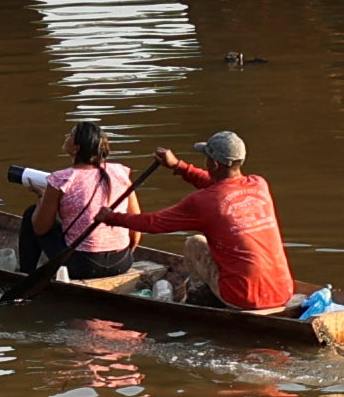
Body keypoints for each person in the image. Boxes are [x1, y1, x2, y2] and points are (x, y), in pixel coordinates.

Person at [125, 130, 296, 313]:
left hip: (242, 298)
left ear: (213, 164)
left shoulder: (203, 201)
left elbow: (154, 223)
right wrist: (179, 166)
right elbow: (219, 187)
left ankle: (201, 299)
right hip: (283, 291)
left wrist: (111, 217)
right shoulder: (259, 184)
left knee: (195, 243)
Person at [8, 117, 136, 278]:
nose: (66, 137)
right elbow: (135, 224)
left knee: (30, 214)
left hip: (83, 266)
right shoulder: (120, 172)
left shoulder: (61, 179)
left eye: (70, 135)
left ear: (76, 148)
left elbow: (41, 228)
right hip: (122, 262)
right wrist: (127, 253)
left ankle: (26, 274)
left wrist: (42, 197)